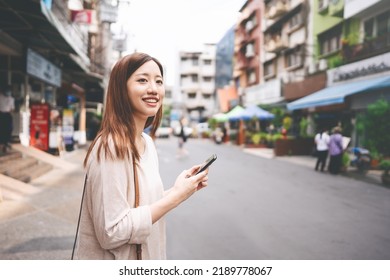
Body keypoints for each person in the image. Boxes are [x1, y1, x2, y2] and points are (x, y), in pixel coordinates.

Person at [72, 53, 209, 260]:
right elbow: (111, 232)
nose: (153, 89)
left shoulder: (148, 144)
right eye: (142, 80)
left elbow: (142, 206)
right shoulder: (111, 146)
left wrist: (180, 189)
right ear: (121, 89)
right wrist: (175, 197)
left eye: (159, 81)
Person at [0, 85, 15, 153]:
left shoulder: (11, 99)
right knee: (3, 129)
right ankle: (3, 143)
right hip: (2, 114)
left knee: (8, 129)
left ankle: (5, 143)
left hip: (7, 115)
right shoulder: (0, 96)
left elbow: (12, 109)